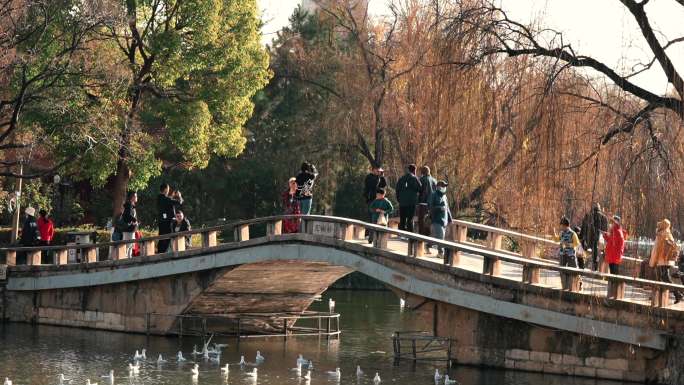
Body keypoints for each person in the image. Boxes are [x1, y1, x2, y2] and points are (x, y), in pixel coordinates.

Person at [648, 219, 682, 304]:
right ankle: (658, 295)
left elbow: (658, 248)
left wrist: (654, 259)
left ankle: (677, 293)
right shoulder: (666, 233)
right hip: (664, 259)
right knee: (662, 277)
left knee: (664, 277)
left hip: (663, 259)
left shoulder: (662, 234)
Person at [580, 203, 609, 271]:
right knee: (597, 253)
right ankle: (595, 267)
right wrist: (605, 243)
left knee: (586, 252)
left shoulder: (588, 216)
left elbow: (583, 227)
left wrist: (581, 237)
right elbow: (605, 232)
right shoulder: (604, 218)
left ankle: (583, 265)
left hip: (588, 239)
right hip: (599, 241)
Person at [428, 180, 453, 257]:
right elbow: (430, 207)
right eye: (443, 186)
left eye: (445, 186)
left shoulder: (445, 196)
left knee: (436, 237)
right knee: (440, 237)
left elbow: (447, 208)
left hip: (444, 220)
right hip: (436, 220)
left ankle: (427, 245)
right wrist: (439, 208)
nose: (445, 187)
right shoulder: (433, 195)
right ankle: (440, 253)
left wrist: (450, 219)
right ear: (438, 187)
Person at [395, 164, 422, 233]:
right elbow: (420, 188)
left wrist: (399, 199)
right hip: (411, 202)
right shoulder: (414, 178)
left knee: (402, 218)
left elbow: (397, 189)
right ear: (414, 170)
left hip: (402, 202)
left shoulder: (402, 178)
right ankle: (410, 234)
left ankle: (401, 233)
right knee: (410, 218)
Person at [157, 183, 183, 253]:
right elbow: (179, 202)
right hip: (167, 222)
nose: (168, 191)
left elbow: (168, 202)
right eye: (168, 189)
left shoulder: (159, 198)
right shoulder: (166, 199)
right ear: (165, 189)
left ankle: (160, 252)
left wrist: (172, 196)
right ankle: (163, 253)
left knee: (161, 238)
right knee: (167, 238)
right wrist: (179, 196)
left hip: (161, 221)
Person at [417, 166, 437, 252]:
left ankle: (421, 244)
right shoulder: (434, 180)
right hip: (431, 205)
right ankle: (428, 244)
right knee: (429, 223)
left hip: (423, 204)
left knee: (422, 223)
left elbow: (418, 191)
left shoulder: (421, 180)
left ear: (422, 172)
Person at [121, 191, 139, 258]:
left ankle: (129, 258)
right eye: (136, 196)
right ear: (132, 197)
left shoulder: (131, 205)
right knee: (128, 246)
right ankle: (126, 259)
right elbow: (127, 216)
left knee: (131, 245)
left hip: (131, 229)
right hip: (128, 229)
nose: (137, 197)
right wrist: (134, 220)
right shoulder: (128, 206)